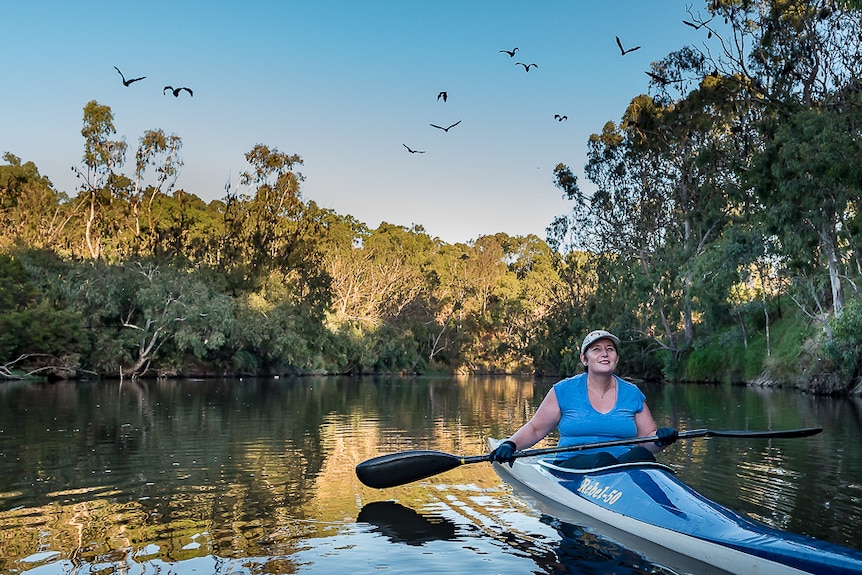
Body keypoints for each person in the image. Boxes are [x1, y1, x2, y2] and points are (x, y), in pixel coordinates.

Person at [489, 329, 678, 468]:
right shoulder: (564, 390)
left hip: (624, 471)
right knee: (602, 459)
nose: (604, 353)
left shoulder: (632, 393)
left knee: (642, 455)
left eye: (610, 349)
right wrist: (511, 444)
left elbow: (647, 441)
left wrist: (661, 440)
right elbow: (536, 429)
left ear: (616, 358)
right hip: (574, 467)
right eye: (596, 349)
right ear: (584, 359)